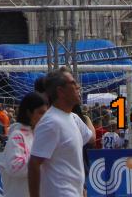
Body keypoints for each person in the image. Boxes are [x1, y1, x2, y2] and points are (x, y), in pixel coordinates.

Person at [28, 69, 95, 197]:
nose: (78, 86)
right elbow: (34, 164)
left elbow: (90, 139)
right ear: (61, 91)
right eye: (73, 83)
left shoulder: (72, 118)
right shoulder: (50, 122)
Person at [0, 91, 46, 197]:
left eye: (46, 113)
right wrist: (44, 159)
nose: (44, 117)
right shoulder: (17, 136)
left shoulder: (37, 135)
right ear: (29, 113)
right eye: (40, 113)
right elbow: (15, 168)